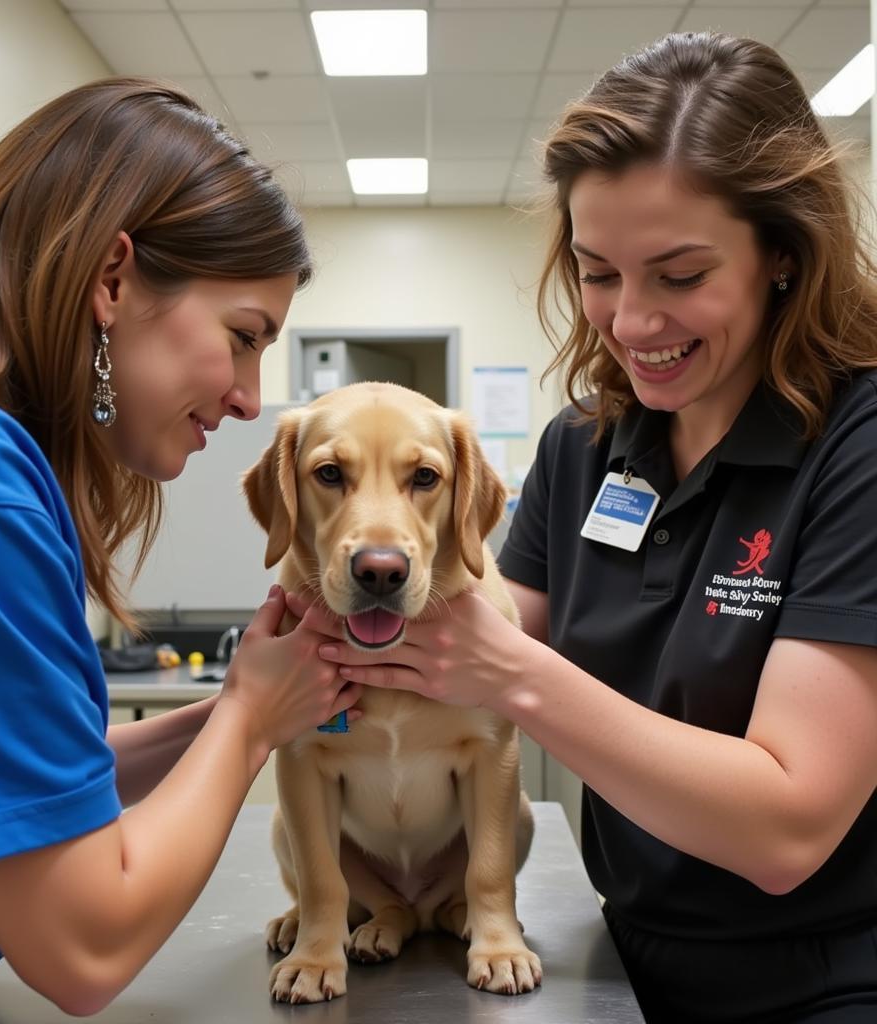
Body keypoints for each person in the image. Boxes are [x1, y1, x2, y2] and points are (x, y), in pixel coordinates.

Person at [302, 32, 877, 1023]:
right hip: (622, 953)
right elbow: (467, 630)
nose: (630, 320)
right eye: (598, 271)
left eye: (680, 275)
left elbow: (788, 828)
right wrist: (336, 605)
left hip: (822, 980)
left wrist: (511, 673)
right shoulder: (590, 446)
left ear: (782, 254)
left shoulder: (854, 447)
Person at [0, 79, 361, 1022]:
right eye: (243, 338)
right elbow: (86, 945)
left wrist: (246, 706)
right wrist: (248, 722)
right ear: (114, 279)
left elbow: (29, 782)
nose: (253, 397)